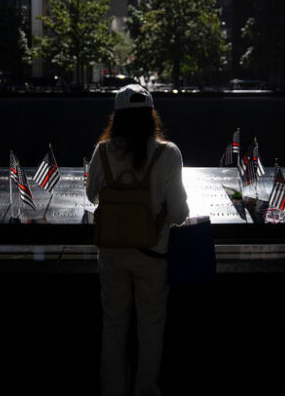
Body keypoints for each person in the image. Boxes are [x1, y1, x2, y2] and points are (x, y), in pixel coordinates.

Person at [86, 84, 188, 396]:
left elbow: (91, 196)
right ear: (151, 115)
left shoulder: (103, 151)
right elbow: (178, 213)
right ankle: (145, 390)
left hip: (111, 253)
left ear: (116, 117)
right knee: (151, 327)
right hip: (151, 254)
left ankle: (113, 390)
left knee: (113, 326)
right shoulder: (168, 153)